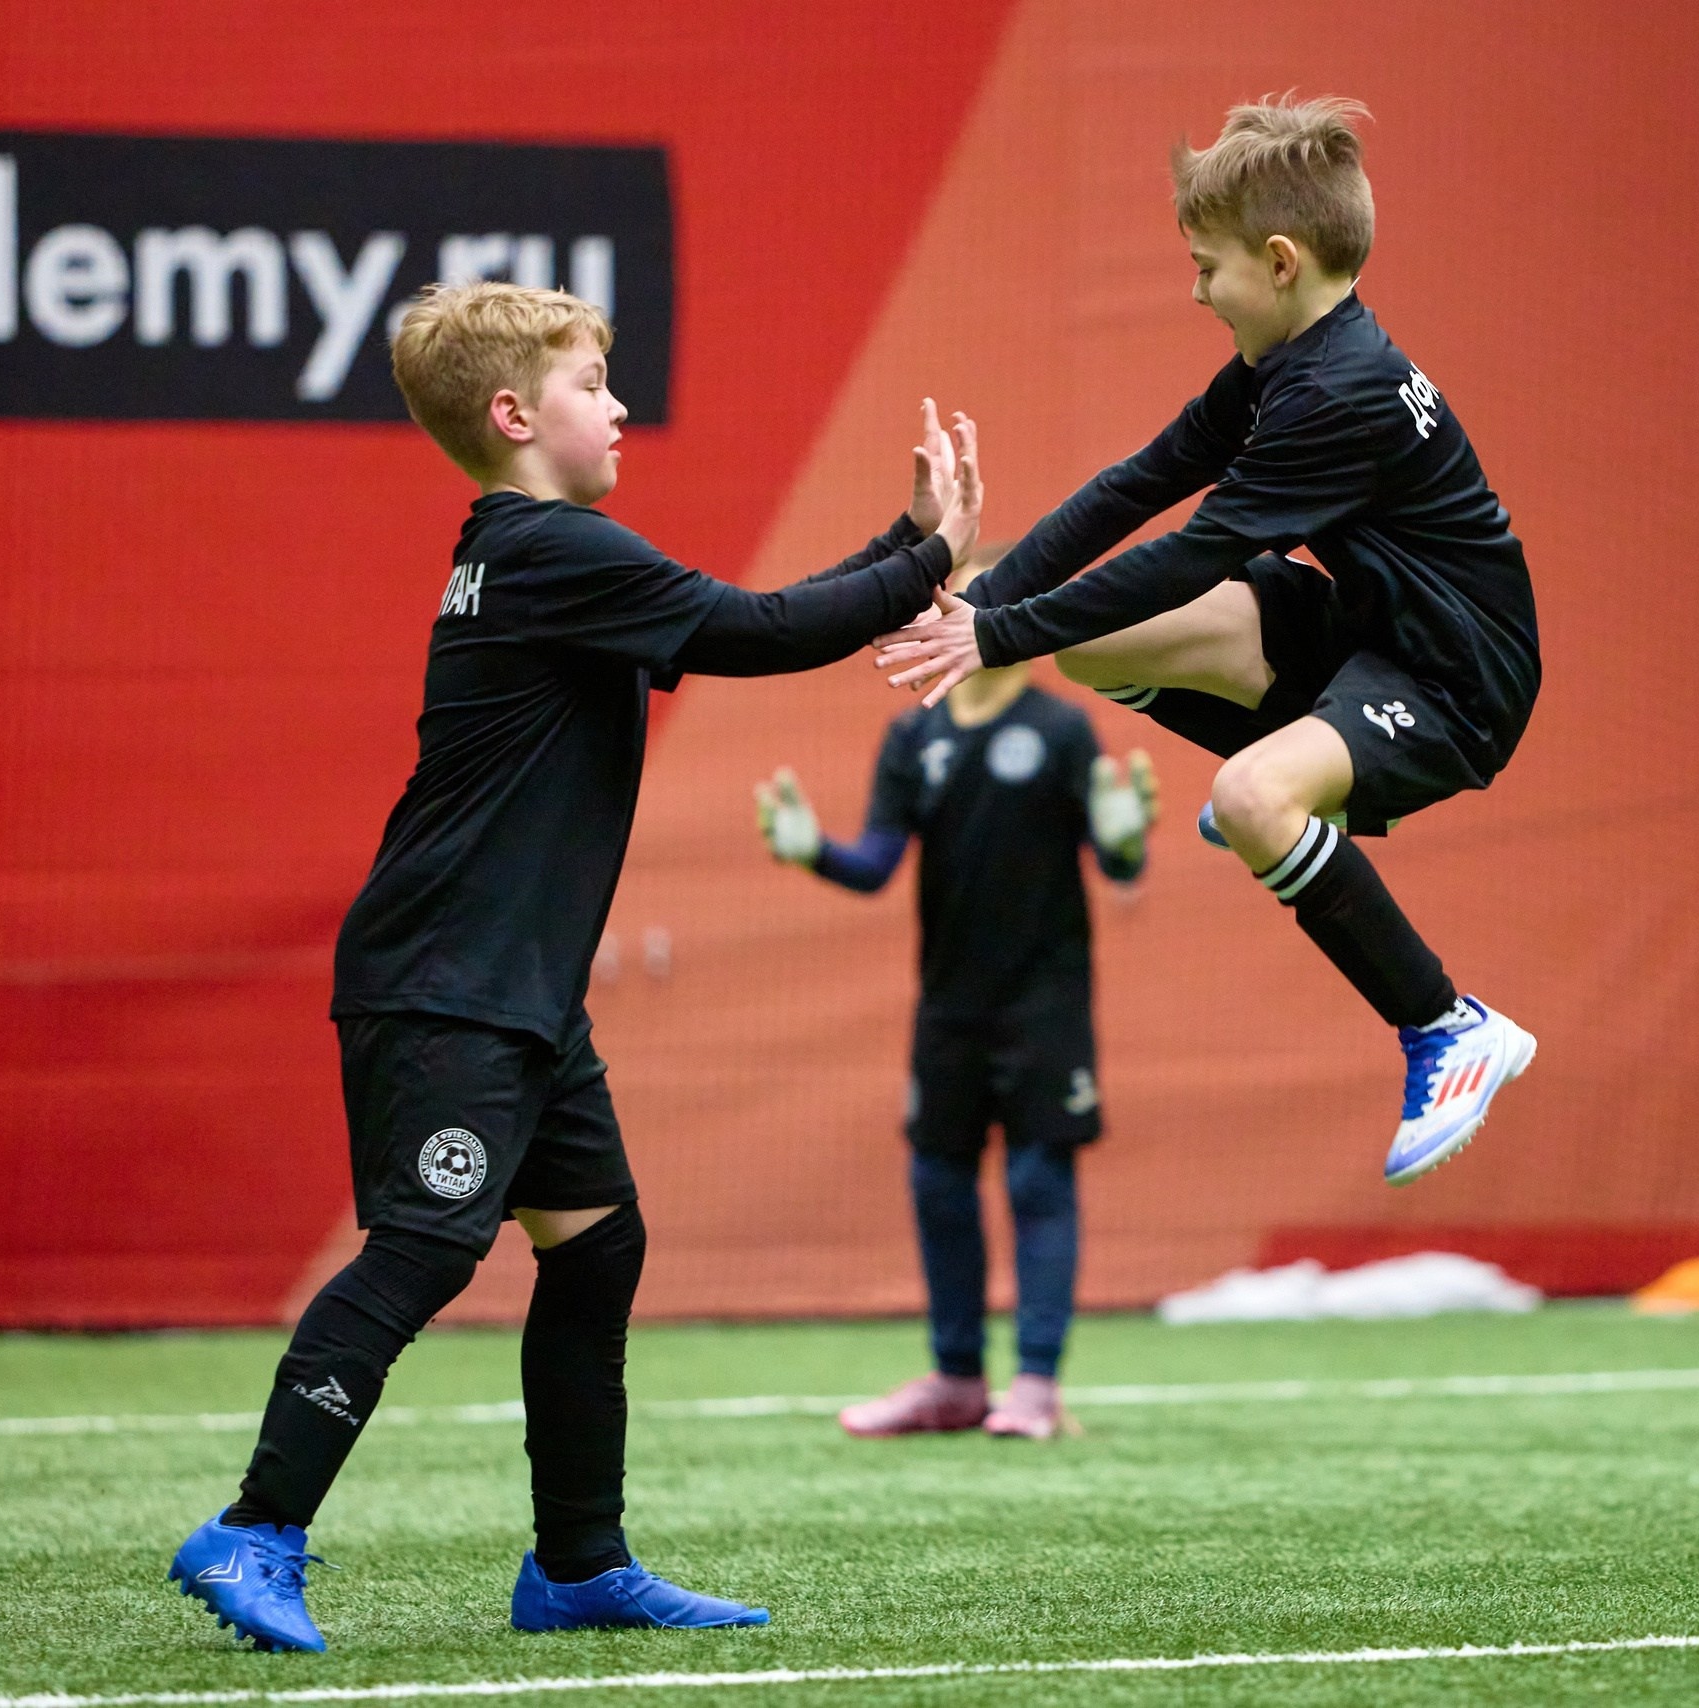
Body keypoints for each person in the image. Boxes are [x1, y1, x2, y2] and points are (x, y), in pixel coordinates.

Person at [167, 282, 981, 1652]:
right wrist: (926, 554)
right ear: (513, 414)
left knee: (598, 1246)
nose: (617, 407)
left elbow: (747, 618)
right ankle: (254, 1528)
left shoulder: (541, 554)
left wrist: (908, 549)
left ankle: (579, 1568)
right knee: (427, 1247)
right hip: (450, 983)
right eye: (595, 382)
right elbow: (759, 631)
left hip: (513, 989)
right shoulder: (552, 547)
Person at [873, 95, 1539, 1186]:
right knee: (1098, 644)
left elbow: (1192, 551)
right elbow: (1142, 480)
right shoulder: (1290, 358)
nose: (1193, 291)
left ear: (1278, 261)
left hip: (1455, 682)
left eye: (1204, 266)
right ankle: (1288, 795)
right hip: (1371, 635)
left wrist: (996, 636)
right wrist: (978, 599)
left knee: (1247, 796)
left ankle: (1446, 1025)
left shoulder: (1338, 392)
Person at [753, 562, 1158, 1441]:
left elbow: (1117, 857)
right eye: (953, 598)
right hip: (949, 1009)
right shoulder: (913, 737)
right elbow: (873, 868)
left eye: (983, 598)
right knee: (939, 1179)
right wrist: (810, 850)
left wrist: (1126, 842)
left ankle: (1037, 1389)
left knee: (1036, 1177)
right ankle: (958, 1380)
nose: (958, 612)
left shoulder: (1062, 728)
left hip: (1045, 1004)